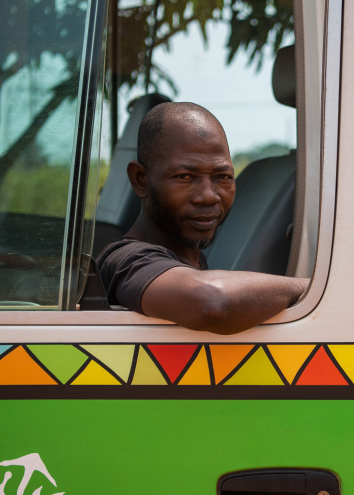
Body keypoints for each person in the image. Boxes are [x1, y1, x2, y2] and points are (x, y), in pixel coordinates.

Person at [97, 102, 308, 334]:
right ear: (140, 180)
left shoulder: (189, 258)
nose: (208, 196)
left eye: (222, 176)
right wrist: (316, 289)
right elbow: (211, 303)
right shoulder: (126, 261)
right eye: (185, 176)